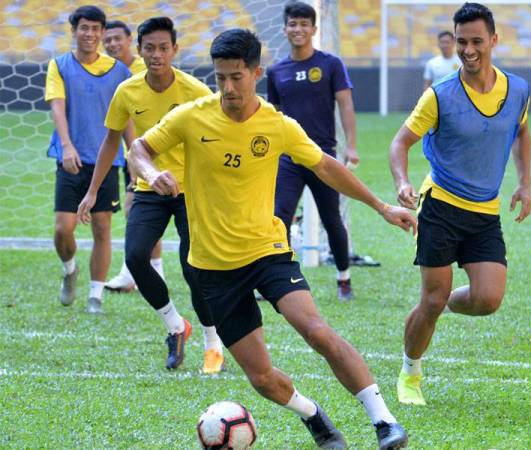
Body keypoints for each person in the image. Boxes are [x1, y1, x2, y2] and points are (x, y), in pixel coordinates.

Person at [129, 28, 414, 450]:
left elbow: (327, 167)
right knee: (261, 378)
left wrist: (381, 206)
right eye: (220, 77)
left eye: (236, 77)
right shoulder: (192, 116)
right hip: (212, 269)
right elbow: (138, 148)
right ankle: (314, 416)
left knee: (317, 331)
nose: (227, 87)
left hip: (268, 252)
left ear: (256, 73)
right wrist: (151, 174)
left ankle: (384, 422)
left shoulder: (278, 126)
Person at [389, 2, 531, 406]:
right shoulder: (439, 95)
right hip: (440, 206)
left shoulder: (518, 89)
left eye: (476, 41)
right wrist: (402, 182)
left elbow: (521, 131)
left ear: (493, 40)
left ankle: (434, 307)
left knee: (487, 300)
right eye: (460, 42)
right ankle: (410, 373)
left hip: (485, 211)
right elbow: (400, 142)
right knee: (432, 298)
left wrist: (524, 183)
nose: (468, 50)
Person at [77, 17, 223, 373]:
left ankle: (212, 342)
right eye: (150, 48)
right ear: (139, 50)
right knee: (136, 257)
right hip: (148, 187)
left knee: (196, 269)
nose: (156, 55)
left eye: (163, 48)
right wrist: (92, 190)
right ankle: (175, 325)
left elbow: (218, 138)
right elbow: (112, 141)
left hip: (193, 191)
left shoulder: (197, 92)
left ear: (175, 50)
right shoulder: (127, 91)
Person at [267, 1, 359, 301]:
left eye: (304, 24)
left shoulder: (330, 64)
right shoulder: (276, 70)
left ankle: (343, 278)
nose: (298, 29)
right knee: (279, 218)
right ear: (285, 29)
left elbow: (345, 104)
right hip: (289, 158)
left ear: (314, 29)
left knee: (331, 219)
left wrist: (352, 147)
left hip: (323, 156)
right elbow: (273, 116)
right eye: (293, 24)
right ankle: (274, 280)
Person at [45, 5, 130, 314]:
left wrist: (134, 156)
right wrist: (66, 146)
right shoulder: (60, 65)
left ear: (102, 32)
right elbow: (57, 107)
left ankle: (95, 295)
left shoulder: (119, 71)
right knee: (62, 228)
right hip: (71, 158)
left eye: (96, 29)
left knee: (102, 228)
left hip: (107, 161)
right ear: (74, 31)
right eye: (84, 28)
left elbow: (128, 118)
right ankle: (70, 271)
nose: (90, 34)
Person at [102, 19, 165, 292]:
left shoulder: (143, 70)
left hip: (151, 151)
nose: (113, 44)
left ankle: (142, 273)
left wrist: (135, 157)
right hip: (126, 151)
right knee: (137, 211)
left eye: (118, 38)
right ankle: (141, 272)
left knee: (140, 208)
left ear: (131, 42)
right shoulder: (111, 70)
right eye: (109, 40)